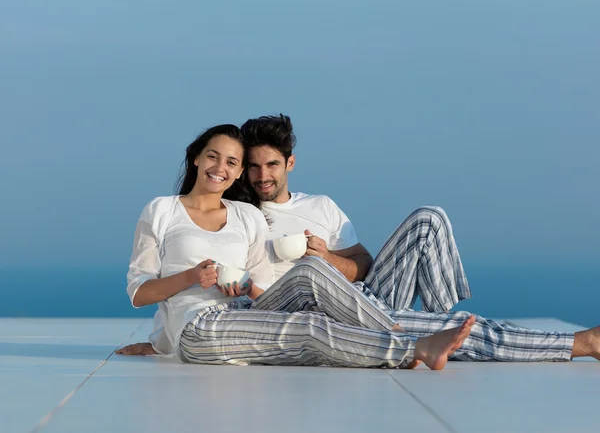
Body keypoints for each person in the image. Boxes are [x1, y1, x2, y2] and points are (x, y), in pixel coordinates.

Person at [119, 116, 600, 365]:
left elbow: (356, 267)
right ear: (201, 159)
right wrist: (162, 341)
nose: (251, 173)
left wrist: (326, 255)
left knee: (424, 223)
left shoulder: (287, 210)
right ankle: (421, 336)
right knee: (381, 313)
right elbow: (162, 287)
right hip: (282, 311)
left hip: (342, 298)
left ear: (290, 164)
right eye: (242, 164)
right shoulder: (193, 211)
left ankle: (437, 329)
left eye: (258, 164)